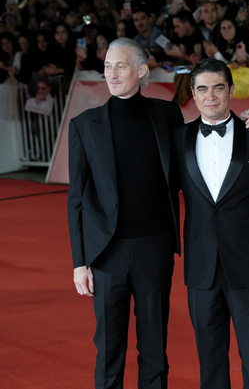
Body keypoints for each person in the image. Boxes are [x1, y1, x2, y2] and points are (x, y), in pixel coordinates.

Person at [68, 37, 184, 389]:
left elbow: (196, 157)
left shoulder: (166, 115)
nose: (112, 73)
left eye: (120, 65)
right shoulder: (84, 125)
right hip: (107, 252)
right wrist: (79, 261)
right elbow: (76, 198)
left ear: (141, 70)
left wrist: (248, 124)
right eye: (107, 66)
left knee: (154, 344)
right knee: (108, 347)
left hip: (155, 247)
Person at [173, 58, 249, 389]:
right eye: (202, 89)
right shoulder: (178, 139)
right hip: (201, 267)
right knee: (210, 357)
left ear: (231, 90)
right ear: (193, 93)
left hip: (248, 264)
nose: (210, 96)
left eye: (218, 87)